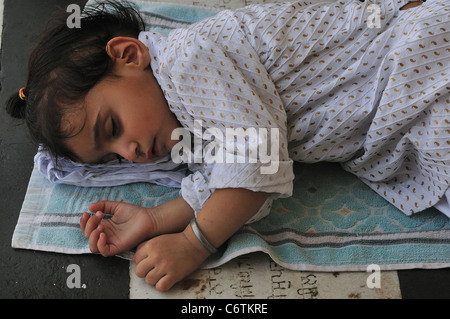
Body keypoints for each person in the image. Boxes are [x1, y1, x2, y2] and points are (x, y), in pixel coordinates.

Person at [6, 0, 449, 291]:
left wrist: (194, 243)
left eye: (113, 126)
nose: (130, 152)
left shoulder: (190, 60)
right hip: (395, 112)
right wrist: (156, 219)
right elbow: (221, 177)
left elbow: (254, 168)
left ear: (129, 54)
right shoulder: (178, 114)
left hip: (410, 63)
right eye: (111, 157)